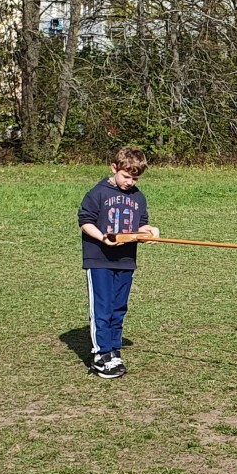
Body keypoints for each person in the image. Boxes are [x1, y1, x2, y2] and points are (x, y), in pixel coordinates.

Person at [77, 147, 161, 379]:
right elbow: (85, 221)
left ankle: (114, 350)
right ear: (114, 168)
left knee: (118, 307)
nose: (130, 182)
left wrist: (150, 231)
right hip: (99, 259)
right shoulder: (97, 193)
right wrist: (102, 237)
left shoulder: (138, 197)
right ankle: (101, 354)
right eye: (126, 176)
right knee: (102, 307)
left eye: (135, 178)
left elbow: (140, 225)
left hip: (125, 261)